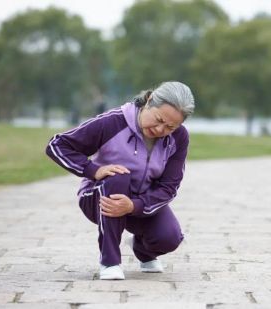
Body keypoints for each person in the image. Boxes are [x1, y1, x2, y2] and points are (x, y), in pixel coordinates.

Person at [45, 81, 195, 280]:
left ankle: (143, 250)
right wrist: (93, 170)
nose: (160, 129)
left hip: (137, 204)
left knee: (169, 238)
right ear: (149, 101)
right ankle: (109, 262)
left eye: (170, 127)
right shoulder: (112, 122)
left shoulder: (179, 138)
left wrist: (133, 205)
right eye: (158, 119)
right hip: (99, 196)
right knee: (118, 176)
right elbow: (57, 145)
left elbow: (169, 187)